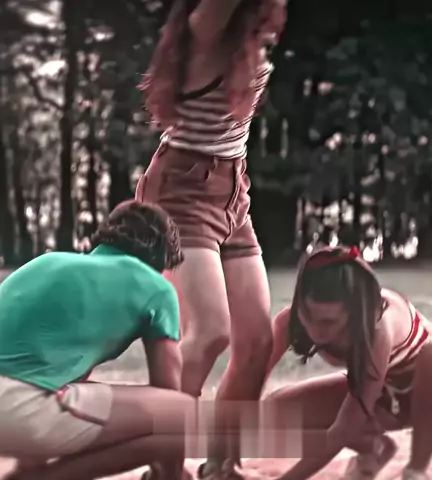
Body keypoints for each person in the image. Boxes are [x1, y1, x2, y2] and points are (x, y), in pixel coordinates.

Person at [136, 0, 286, 477]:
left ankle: (221, 465)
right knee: (209, 334)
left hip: (232, 190)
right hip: (183, 188)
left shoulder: (247, 41)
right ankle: (162, 463)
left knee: (257, 340)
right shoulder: (206, 30)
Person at [0, 200, 195, 480]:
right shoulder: (157, 288)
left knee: (63, 391)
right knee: (182, 411)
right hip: (19, 409)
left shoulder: (47, 262)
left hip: (17, 405)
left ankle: (28, 472)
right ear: (162, 256)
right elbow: (168, 394)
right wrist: (172, 472)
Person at [262, 245, 432, 480]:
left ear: (354, 313)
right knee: (274, 410)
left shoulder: (378, 327)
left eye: (328, 322)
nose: (315, 330)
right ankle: (374, 448)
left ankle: (416, 470)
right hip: (387, 398)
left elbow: (346, 425)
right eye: (308, 316)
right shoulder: (289, 321)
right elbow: (250, 379)